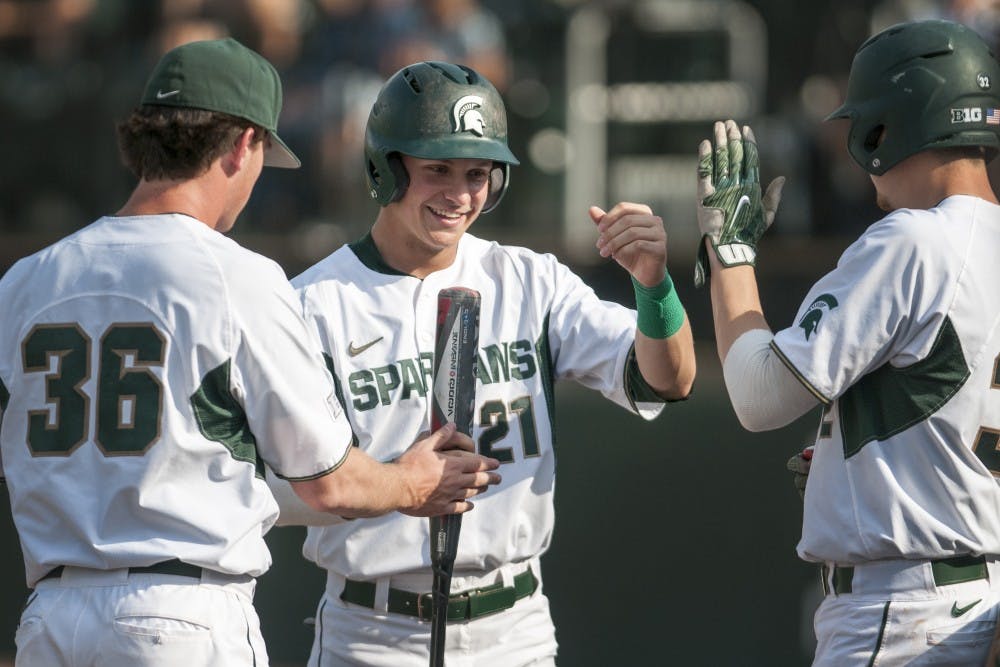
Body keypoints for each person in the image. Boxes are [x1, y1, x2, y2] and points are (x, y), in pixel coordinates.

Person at [0, 38, 500, 667]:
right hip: (180, 614)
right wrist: (411, 481)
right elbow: (330, 483)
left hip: (49, 616)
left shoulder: (25, 279)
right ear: (242, 145)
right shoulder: (235, 276)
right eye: (263, 150)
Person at [271, 60, 696, 666]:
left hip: (513, 626)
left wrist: (655, 287)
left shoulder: (529, 279)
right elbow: (269, 488)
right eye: (436, 168)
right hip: (372, 632)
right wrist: (394, 484)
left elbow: (668, 379)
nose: (459, 193)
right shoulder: (312, 303)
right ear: (385, 169)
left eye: (477, 173)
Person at [695, 19, 1000, 665]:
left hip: (902, 616)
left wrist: (730, 251)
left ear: (888, 126)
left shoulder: (915, 239)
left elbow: (758, 395)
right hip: (975, 597)